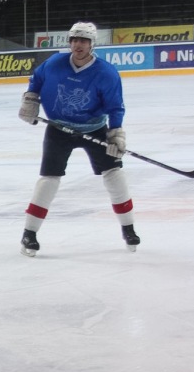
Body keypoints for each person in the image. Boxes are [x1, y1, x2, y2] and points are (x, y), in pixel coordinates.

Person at [17, 21, 140, 256]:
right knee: (49, 178)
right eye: (74, 40)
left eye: (83, 40)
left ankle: (129, 229)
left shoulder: (106, 73)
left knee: (114, 173)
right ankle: (29, 234)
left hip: (94, 128)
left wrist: (115, 134)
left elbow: (115, 106)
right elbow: (37, 79)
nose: (77, 45)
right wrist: (30, 99)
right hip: (59, 129)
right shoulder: (55, 62)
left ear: (92, 44)